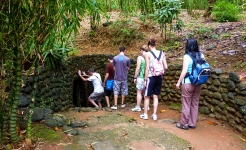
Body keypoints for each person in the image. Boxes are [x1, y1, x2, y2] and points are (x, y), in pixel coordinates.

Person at [175, 38, 204, 130]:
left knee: (186, 103)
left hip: (188, 82)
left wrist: (178, 82)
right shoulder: (201, 55)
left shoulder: (187, 56)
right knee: (195, 103)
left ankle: (184, 123)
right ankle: (192, 123)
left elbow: (184, 71)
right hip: (198, 83)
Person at [141, 39, 168, 120]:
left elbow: (147, 68)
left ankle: (145, 114)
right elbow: (166, 67)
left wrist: (145, 79)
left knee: (147, 96)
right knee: (155, 96)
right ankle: (154, 115)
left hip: (150, 77)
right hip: (159, 77)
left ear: (149, 46)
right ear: (155, 45)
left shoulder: (148, 54)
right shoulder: (162, 53)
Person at [131, 45, 148, 112]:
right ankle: (146, 106)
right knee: (145, 93)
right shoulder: (149, 56)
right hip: (147, 77)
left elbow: (138, 68)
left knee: (139, 92)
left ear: (141, 50)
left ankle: (138, 106)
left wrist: (135, 77)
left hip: (141, 77)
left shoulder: (140, 57)